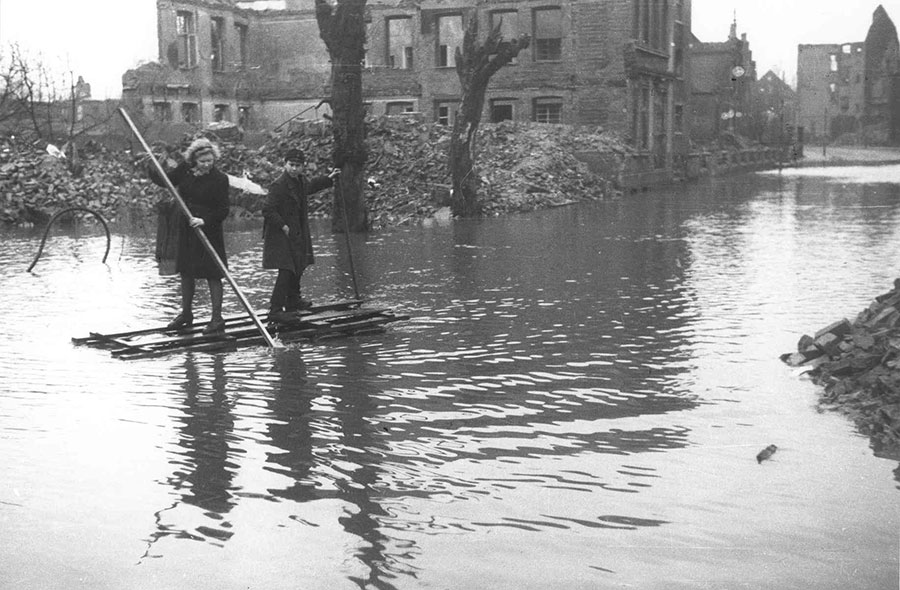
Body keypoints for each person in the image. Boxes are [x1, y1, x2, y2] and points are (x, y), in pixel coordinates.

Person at [149, 138, 230, 335]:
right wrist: (154, 164)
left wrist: (204, 220)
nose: (207, 165)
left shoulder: (220, 179)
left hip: (208, 230)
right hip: (186, 228)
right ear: (194, 160)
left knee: (213, 273)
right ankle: (186, 314)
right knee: (186, 271)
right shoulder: (185, 171)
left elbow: (223, 210)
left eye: (210, 160)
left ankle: (217, 319)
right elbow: (163, 181)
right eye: (203, 161)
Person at [262, 148, 340, 321]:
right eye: (291, 165)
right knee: (286, 269)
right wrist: (282, 225)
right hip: (280, 234)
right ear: (285, 164)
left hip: (297, 231)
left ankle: (293, 300)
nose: (294, 169)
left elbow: (310, 187)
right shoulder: (278, 185)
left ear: (303, 167)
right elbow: (267, 209)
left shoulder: (300, 181)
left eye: (298, 166)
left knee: (299, 265)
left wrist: (329, 179)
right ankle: (275, 310)